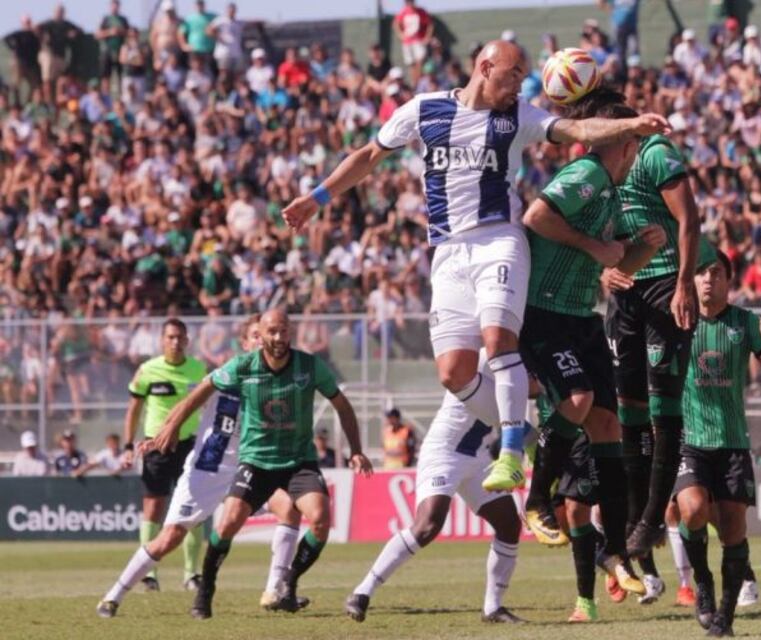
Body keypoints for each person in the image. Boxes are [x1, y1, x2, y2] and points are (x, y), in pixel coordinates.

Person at [282, 40, 669, 494]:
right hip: (447, 252)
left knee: (498, 340)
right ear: (485, 67)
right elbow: (369, 156)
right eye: (514, 73)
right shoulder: (423, 110)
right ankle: (524, 437)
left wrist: (630, 125)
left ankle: (507, 453)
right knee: (453, 372)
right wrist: (316, 198)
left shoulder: (518, 116)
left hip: (498, 241)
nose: (520, 84)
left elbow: (575, 128)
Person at [519, 100, 669, 619]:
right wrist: (592, 245)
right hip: (546, 314)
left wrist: (645, 247)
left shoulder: (610, 193)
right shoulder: (585, 173)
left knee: (609, 425)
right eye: (636, 145)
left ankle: (622, 550)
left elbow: (615, 265)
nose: (637, 155)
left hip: (582, 317)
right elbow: (536, 216)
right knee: (580, 400)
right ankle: (538, 500)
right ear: (623, 142)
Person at [147, 309, 371, 619]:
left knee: (320, 519)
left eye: (283, 331)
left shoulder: (309, 365)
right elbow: (202, 391)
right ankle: (205, 591)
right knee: (228, 523)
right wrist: (172, 425)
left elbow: (342, 406)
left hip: (298, 461)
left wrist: (356, 449)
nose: (278, 338)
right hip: (257, 461)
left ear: (290, 332)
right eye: (272, 332)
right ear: (261, 334)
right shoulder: (243, 366)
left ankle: (287, 585)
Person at [571, 88, 715, 559]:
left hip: (664, 285)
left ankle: (653, 516)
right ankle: (636, 516)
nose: (592, 143)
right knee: (628, 407)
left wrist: (684, 284)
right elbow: (600, 235)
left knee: (661, 405)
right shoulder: (602, 167)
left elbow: (688, 218)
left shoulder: (654, 152)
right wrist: (605, 269)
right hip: (626, 293)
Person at [96, 316, 313, 617]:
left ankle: (274, 590)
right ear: (246, 343)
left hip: (248, 468)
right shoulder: (226, 375)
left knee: (289, 508)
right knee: (169, 538)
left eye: (265, 335)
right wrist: (162, 434)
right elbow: (187, 404)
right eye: (255, 335)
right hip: (208, 468)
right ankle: (113, 596)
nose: (264, 341)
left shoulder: (275, 381)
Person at [345, 356, 524, 624]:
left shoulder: (511, 353)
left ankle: (493, 608)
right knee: (428, 525)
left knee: (509, 523)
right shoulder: (486, 356)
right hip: (445, 452)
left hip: (478, 455)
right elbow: (515, 400)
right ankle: (362, 592)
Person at [674, 252, 761, 637]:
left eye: (716, 273)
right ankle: (702, 584)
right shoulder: (679, 321)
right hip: (690, 440)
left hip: (733, 443)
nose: (708, 279)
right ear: (691, 281)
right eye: (702, 273)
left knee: (732, 531)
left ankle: (725, 618)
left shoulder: (745, 323)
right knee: (690, 511)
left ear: (728, 281)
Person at [121, 318, 208, 592]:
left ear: (187, 340)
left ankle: (191, 574)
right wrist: (128, 445)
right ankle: (150, 575)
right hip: (156, 446)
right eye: (170, 337)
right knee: (153, 508)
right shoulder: (147, 370)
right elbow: (133, 410)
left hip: (189, 445)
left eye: (180, 337)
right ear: (161, 340)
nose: (175, 342)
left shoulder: (198, 369)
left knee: (195, 509)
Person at [36, 4, 80, 104]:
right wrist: (43, 37)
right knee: (47, 79)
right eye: (58, 11)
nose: (59, 14)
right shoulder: (49, 23)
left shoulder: (66, 24)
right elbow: (36, 28)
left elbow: (78, 29)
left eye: (61, 12)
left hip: (61, 55)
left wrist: (73, 34)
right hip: (49, 53)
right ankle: (47, 101)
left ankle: (56, 101)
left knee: (59, 80)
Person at [394, 0, 434, 85]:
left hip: (418, 41)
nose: (410, 3)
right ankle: (414, 83)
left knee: (420, 60)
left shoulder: (421, 11)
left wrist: (427, 37)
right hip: (407, 42)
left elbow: (430, 24)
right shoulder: (403, 12)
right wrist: (401, 35)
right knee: (411, 64)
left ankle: (418, 82)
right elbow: (396, 24)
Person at [4, 16, 41, 97]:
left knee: (35, 85)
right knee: (16, 83)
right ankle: (16, 104)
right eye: (26, 22)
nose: (27, 24)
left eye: (29, 22)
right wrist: (13, 47)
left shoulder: (34, 35)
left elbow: (38, 47)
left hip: (31, 64)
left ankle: (29, 102)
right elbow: (6, 39)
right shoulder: (18, 33)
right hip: (20, 62)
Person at [96, 0, 130, 87]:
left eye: (116, 5)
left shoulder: (123, 20)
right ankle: (106, 96)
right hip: (107, 51)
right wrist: (110, 32)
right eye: (113, 5)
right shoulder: (105, 19)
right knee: (105, 75)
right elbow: (98, 34)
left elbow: (130, 33)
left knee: (121, 74)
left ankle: (121, 97)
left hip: (120, 52)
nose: (115, 7)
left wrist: (120, 32)